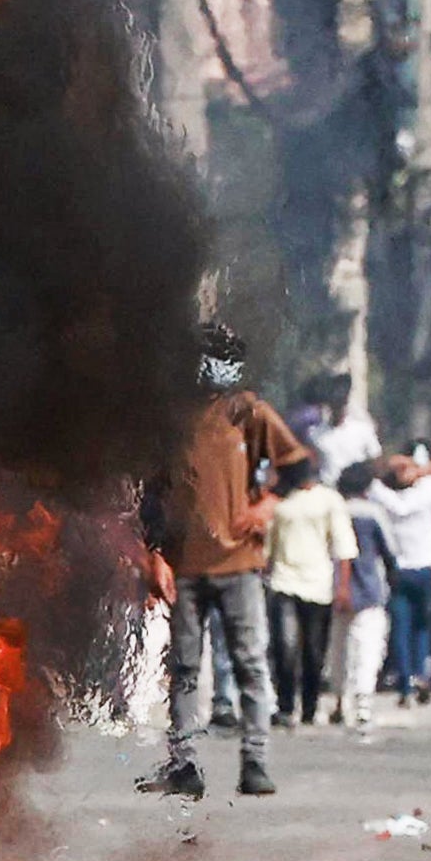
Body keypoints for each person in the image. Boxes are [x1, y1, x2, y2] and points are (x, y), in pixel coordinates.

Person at [143, 324, 304, 800]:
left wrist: (265, 506)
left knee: (251, 664)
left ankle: (255, 761)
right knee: (186, 669)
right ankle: (183, 764)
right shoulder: (170, 422)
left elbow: (298, 468)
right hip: (184, 566)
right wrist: (153, 556)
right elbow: (152, 498)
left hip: (239, 565)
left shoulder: (246, 412)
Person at [262, 456, 353, 729]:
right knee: (284, 647)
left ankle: (310, 707)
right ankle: (286, 705)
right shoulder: (280, 503)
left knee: (313, 651)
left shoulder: (329, 500)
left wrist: (343, 587)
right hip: (283, 582)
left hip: (318, 585)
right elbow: (270, 546)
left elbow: (343, 547)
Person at [367, 448, 431, 701]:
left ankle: (405, 683)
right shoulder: (430, 489)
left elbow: (372, 479)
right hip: (423, 567)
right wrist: (418, 467)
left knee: (401, 626)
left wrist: (393, 467)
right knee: (421, 625)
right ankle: (420, 674)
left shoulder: (382, 496)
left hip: (399, 569)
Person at [338, 460, 394, 733]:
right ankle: (363, 705)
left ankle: (339, 701)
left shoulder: (336, 510)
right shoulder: (374, 513)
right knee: (367, 649)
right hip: (370, 588)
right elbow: (390, 551)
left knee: (338, 649)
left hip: (335, 589)